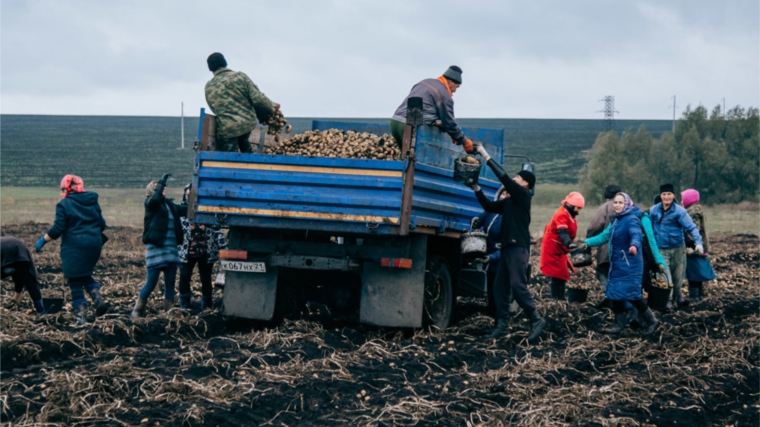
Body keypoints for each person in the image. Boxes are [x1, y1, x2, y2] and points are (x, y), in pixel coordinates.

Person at [469, 144, 546, 341]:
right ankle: (502, 325)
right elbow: (489, 206)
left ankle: (536, 319)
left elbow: (503, 177)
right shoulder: (510, 202)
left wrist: (485, 155)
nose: (514, 179)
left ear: (526, 183)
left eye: (518, 177)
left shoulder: (523, 195)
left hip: (518, 248)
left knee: (517, 285)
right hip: (507, 249)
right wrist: (476, 187)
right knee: (499, 287)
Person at [578, 193, 659, 335]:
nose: (617, 205)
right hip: (617, 263)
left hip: (631, 264)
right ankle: (619, 324)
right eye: (615, 202)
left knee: (633, 295)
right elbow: (604, 236)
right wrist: (587, 243)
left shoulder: (632, 219)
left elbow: (636, 235)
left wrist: (633, 246)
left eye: (620, 203)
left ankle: (652, 321)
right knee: (614, 292)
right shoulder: (616, 220)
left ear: (627, 204)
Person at [35, 175, 108, 325]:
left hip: (75, 247)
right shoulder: (92, 201)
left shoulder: (64, 204)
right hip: (95, 246)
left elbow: (58, 229)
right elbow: (102, 224)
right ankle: (98, 300)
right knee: (84, 274)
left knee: (74, 280)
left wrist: (42, 240)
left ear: (66, 189)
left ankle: (80, 318)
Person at [131, 174, 187, 318]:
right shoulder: (151, 203)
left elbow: (186, 210)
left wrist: (193, 194)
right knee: (152, 282)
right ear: (152, 190)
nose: (164, 189)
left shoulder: (170, 205)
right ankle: (137, 310)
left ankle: (168, 313)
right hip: (156, 250)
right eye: (160, 188)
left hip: (171, 250)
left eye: (164, 188)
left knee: (170, 283)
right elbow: (155, 199)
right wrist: (162, 181)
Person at [204, 52, 279, 153]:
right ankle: (249, 159)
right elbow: (257, 98)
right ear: (225, 63)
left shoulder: (209, 87)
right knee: (244, 141)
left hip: (227, 129)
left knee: (230, 153)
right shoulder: (240, 77)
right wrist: (272, 106)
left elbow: (214, 108)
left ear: (211, 69)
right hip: (246, 125)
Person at [390, 65, 475, 154]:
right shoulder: (444, 95)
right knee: (412, 159)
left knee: (405, 155)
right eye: (457, 87)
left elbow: (418, 105)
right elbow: (449, 123)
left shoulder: (424, 82)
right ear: (450, 82)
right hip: (407, 127)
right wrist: (464, 141)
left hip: (395, 122)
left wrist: (432, 122)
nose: (455, 91)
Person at [649, 183, 703, 308]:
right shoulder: (653, 211)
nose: (666, 197)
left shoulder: (680, 212)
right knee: (665, 276)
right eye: (664, 194)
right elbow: (647, 228)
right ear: (660, 196)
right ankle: (667, 302)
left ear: (673, 195)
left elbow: (692, 227)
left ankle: (674, 299)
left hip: (678, 249)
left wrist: (698, 243)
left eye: (669, 194)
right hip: (661, 249)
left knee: (677, 279)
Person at [177, 183, 227, 311]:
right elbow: (175, 231)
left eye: (193, 193)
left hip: (206, 252)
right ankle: (184, 306)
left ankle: (207, 307)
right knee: (184, 278)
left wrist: (223, 246)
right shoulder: (181, 211)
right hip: (186, 253)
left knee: (206, 279)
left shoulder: (207, 210)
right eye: (188, 192)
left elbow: (217, 230)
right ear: (185, 194)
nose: (190, 195)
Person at [540, 191, 585, 300]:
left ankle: (560, 298)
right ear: (570, 205)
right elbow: (563, 231)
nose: (578, 211)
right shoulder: (562, 214)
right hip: (553, 249)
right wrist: (569, 244)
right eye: (577, 208)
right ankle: (556, 299)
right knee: (557, 275)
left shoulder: (569, 214)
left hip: (560, 249)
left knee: (561, 275)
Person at [471, 187, 508, 317]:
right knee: (491, 291)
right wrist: (476, 222)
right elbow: (481, 219)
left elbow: (507, 246)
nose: (504, 197)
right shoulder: (491, 211)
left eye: (508, 194)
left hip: (501, 260)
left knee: (498, 293)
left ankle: (500, 322)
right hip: (490, 258)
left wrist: (492, 257)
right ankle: (493, 319)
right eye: (503, 193)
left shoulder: (511, 217)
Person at [586, 185, 621, 299]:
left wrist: (588, 242)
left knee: (603, 272)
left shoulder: (604, 207)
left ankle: (610, 297)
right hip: (625, 251)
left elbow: (594, 227)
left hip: (606, 249)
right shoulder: (628, 206)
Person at [681, 189, 715, 302]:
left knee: (694, 273)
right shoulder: (698, 211)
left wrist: (690, 245)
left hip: (695, 248)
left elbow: (694, 230)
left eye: (683, 198)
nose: (681, 201)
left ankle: (694, 297)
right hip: (699, 247)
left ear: (688, 200)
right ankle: (699, 296)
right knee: (697, 273)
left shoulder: (693, 213)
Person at [1, 236, 45, 314]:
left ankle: (41, 310)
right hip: (17, 246)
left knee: (27, 279)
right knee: (25, 277)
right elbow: (17, 275)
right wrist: (17, 295)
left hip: (11, 248)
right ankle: (41, 309)